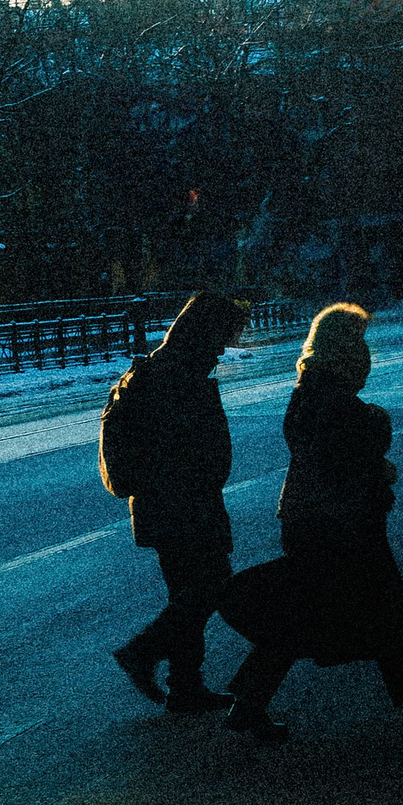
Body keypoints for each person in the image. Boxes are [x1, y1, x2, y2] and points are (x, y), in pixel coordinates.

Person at [219, 301, 403, 744]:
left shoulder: (311, 387)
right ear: (343, 346)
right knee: (369, 611)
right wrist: (376, 426)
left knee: (315, 614)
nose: (365, 351)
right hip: (338, 521)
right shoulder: (332, 397)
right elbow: (348, 450)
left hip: (316, 517)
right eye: (359, 340)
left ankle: (250, 705)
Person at [106, 288, 250, 711]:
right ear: (205, 332)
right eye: (223, 336)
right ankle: (143, 652)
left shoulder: (164, 368)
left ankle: (185, 686)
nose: (225, 347)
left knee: (188, 592)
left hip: (167, 504)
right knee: (211, 586)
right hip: (183, 504)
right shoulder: (177, 376)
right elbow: (188, 447)